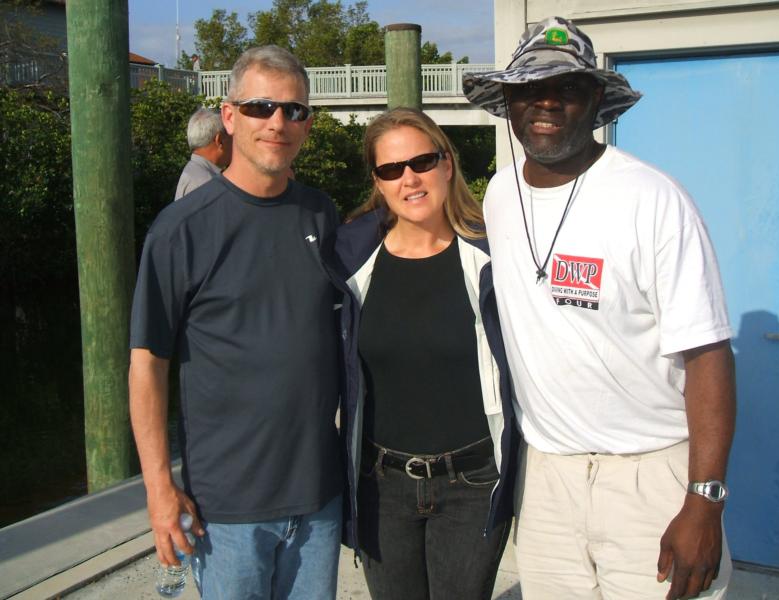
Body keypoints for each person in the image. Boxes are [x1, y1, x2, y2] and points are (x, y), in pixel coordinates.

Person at [463, 16, 735, 600]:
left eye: (568, 88)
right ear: (508, 101)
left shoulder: (653, 200)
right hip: (547, 480)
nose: (547, 102)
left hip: (649, 477)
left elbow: (709, 353)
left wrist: (704, 500)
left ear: (596, 101)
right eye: (530, 88)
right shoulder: (501, 194)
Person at [129, 45, 349, 600]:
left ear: (307, 124)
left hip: (318, 498)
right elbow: (147, 364)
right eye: (260, 107)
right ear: (229, 117)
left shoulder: (322, 214)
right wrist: (159, 487)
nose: (277, 122)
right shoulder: (180, 229)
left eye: (293, 110)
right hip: (225, 511)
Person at [334, 108, 519, 600]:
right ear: (377, 180)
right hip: (381, 485)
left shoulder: (496, 252)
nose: (409, 179)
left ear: (447, 163)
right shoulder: (350, 257)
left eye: (421, 161)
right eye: (391, 169)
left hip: (474, 484)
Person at [173, 108, 232, 200]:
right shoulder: (206, 183)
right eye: (231, 136)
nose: (235, 143)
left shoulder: (195, 172)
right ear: (220, 140)